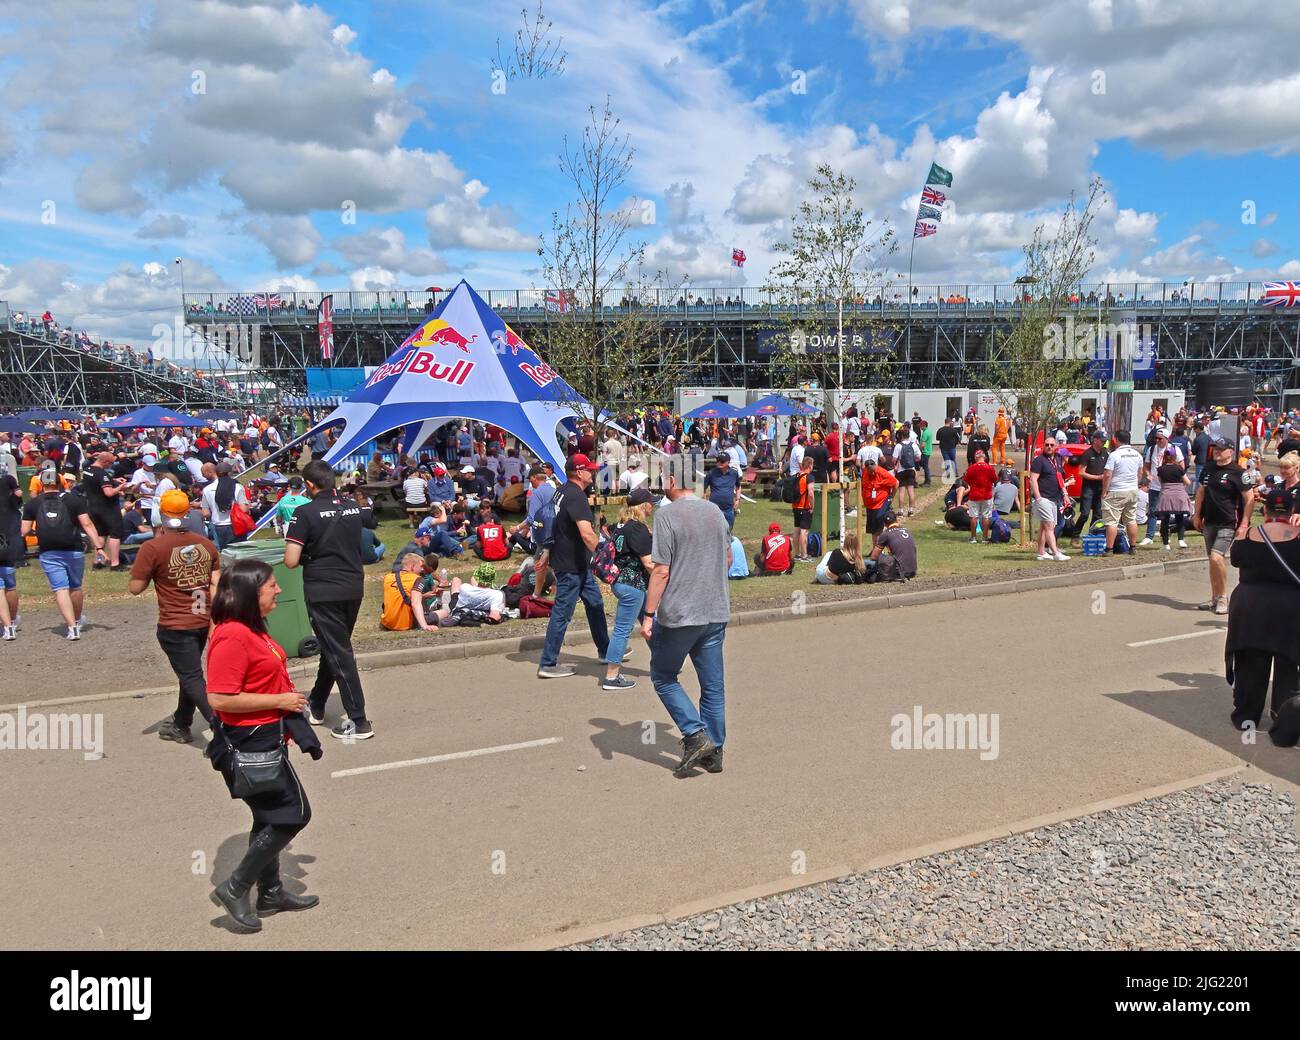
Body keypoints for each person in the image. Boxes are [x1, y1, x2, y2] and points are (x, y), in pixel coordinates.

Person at [205, 559, 321, 933]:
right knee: (294, 813)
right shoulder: (232, 635)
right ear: (250, 594)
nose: (279, 590)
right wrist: (280, 702)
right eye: (272, 585)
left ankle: (270, 892)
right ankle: (235, 886)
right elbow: (220, 698)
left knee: (268, 816)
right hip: (250, 742)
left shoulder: (251, 628)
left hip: (266, 736)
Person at [641, 472, 732, 777]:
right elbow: (729, 558)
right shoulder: (716, 511)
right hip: (715, 609)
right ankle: (714, 751)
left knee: (663, 675)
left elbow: (661, 570)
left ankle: (695, 735)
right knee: (712, 685)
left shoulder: (666, 515)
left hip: (681, 612)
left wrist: (649, 614)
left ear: (670, 480)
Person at [284, 460, 373, 740]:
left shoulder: (304, 512)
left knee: (339, 652)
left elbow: (290, 561)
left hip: (323, 590)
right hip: (353, 586)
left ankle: (359, 721)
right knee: (333, 647)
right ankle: (318, 704)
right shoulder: (352, 507)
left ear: (309, 485)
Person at [128, 489, 220, 744]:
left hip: (175, 623)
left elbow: (135, 588)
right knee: (188, 674)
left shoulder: (153, 547)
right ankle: (181, 723)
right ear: (187, 513)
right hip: (201, 618)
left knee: (191, 676)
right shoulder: (206, 544)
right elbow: (216, 582)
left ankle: (221, 727)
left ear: (161, 514)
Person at [1226, 487, 1300, 731]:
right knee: (1289, 664)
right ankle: (1282, 716)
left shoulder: (1248, 534)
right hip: (1290, 608)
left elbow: (1236, 559)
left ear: (1265, 510)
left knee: (1250, 663)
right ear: (1291, 511)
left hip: (1250, 607)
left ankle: (1247, 716)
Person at [537, 454, 610, 678]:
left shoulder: (562, 491)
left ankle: (606, 651)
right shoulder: (576, 496)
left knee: (595, 603)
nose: (593, 473)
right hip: (570, 565)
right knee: (562, 613)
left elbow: (554, 525)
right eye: (590, 470)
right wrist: (607, 555)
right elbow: (587, 533)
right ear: (579, 473)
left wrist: (547, 552)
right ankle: (548, 663)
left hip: (576, 562)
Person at [20, 468, 104, 640]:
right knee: (75, 586)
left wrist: (36, 533)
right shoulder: (74, 500)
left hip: (48, 550)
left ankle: (72, 627)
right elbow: (87, 524)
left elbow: (24, 530)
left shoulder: (33, 504)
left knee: (60, 589)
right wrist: (98, 547)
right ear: (60, 482)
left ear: (41, 483)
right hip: (73, 549)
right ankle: (78, 619)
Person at [602, 488, 656, 690]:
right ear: (644, 506)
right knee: (622, 630)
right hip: (632, 585)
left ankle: (666, 660)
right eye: (651, 502)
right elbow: (649, 563)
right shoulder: (637, 528)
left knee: (650, 620)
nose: (654, 505)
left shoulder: (621, 526)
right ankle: (611, 676)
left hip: (623, 582)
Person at [1194, 437, 1254, 616]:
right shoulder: (1209, 468)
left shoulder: (1238, 472)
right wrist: (1197, 514)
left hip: (1228, 522)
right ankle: (1215, 597)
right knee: (1212, 562)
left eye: (1221, 449)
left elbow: (1249, 498)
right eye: (1215, 449)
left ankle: (1223, 598)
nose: (1217, 452)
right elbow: (1201, 492)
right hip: (1209, 521)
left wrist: (1244, 522)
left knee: (1216, 558)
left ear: (1230, 451)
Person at [81, 450, 128, 571]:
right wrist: (120, 487)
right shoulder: (102, 473)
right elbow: (109, 493)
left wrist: (113, 481)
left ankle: (98, 562)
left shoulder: (87, 470)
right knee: (115, 534)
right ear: (105, 462)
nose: (111, 466)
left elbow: (97, 483)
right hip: (108, 508)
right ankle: (115, 564)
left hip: (93, 506)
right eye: (110, 463)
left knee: (100, 534)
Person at [1101, 429, 1143, 555]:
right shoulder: (1137, 455)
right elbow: (1140, 473)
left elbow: (1107, 474)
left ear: (1116, 439)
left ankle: (1109, 548)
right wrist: (1135, 484)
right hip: (1132, 490)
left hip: (1117, 490)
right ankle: (1133, 546)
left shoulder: (1114, 455)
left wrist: (1104, 491)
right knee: (1131, 519)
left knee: (1111, 520)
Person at [1028, 436, 1070, 561]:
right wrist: (1038, 497)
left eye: (1052, 445)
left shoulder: (1057, 459)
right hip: (1044, 498)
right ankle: (1056, 553)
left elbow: (1060, 477)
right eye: (1047, 445)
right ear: (1043, 446)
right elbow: (1033, 479)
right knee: (1050, 526)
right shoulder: (1039, 461)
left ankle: (1041, 552)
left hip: (1054, 498)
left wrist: (1065, 494)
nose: (1049, 447)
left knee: (1043, 526)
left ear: (1055, 446)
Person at [202, 461, 249, 551]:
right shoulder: (237, 487)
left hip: (218, 526)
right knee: (240, 552)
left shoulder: (207, 489)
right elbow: (244, 509)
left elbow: (206, 513)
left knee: (225, 553)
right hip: (235, 525)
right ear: (229, 473)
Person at [1153, 448, 1192, 551]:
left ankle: (1166, 544)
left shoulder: (1160, 469)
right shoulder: (1179, 468)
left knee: (1165, 520)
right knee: (1180, 518)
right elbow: (1187, 482)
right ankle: (1181, 540)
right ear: (1175, 457)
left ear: (1164, 456)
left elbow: (1161, 482)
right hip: (1179, 494)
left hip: (1166, 494)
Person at [0, 465, 21, 640]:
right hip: (7, 536)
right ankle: (12, 622)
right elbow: (19, 496)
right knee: (10, 584)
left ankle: (7, 626)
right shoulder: (9, 480)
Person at [866, 511, 917, 581]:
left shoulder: (886, 534)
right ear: (896, 519)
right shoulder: (907, 531)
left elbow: (874, 557)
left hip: (899, 572)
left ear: (884, 524)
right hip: (912, 570)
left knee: (867, 562)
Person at [381, 553, 425, 631]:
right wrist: (424, 626)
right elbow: (415, 604)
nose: (422, 569)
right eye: (421, 566)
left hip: (387, 623)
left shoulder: (388, 577)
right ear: (412, 566)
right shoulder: (417, 579)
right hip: (404, 623)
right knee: (444, 612)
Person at [961, 450, 997, 544]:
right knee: (986, 517)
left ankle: (973, 537)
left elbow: (966, 480)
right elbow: (995, 480)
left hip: (974, 495)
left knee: (973, 516)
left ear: (976, 457)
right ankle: (985, 538)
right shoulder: (990, 468)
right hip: (987, 494)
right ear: (984, 457)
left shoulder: (971, 468)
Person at [701, 452, 740, 530]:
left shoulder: (734, 473)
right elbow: (702, 488)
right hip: (714, 509)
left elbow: (738, 487)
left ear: (728, 462)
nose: (719, 463)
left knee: (728, 531)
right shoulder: (711, 473)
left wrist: (737, 499)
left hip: (729, 508)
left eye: (722, 461)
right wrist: (705, 501)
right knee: (714, 531)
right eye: (717, 460)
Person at [790, 456, 814, 561]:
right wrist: (812, 506)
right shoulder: (809, 477)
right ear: (809, 465)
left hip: (795, 506)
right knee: (804, 531)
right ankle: (804, 555)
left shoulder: (796, 475)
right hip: (805, 507)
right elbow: (811, 493)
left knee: (796, 530)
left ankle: (797, 554)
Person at [892, 427, 919, 517]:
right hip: (911, 469)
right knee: (911, 491)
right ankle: (911, 510)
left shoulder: (898, 446)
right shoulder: (913, 445)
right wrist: (912, 459)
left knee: (901, 491)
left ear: (901, 436)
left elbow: (894, 459)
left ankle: (901, 511)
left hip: (901, 470)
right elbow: (919, 457)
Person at [935, 418, 961, 483]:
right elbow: (958, 438)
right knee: (953, 460)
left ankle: (948, 473)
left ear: (945, 422)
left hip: (943, 447)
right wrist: (955, 443)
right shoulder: (953, 430)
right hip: (952, 447)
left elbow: (937, 438)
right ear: (950, 422)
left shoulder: (940, 430)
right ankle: (955, 473)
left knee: (946, 460)